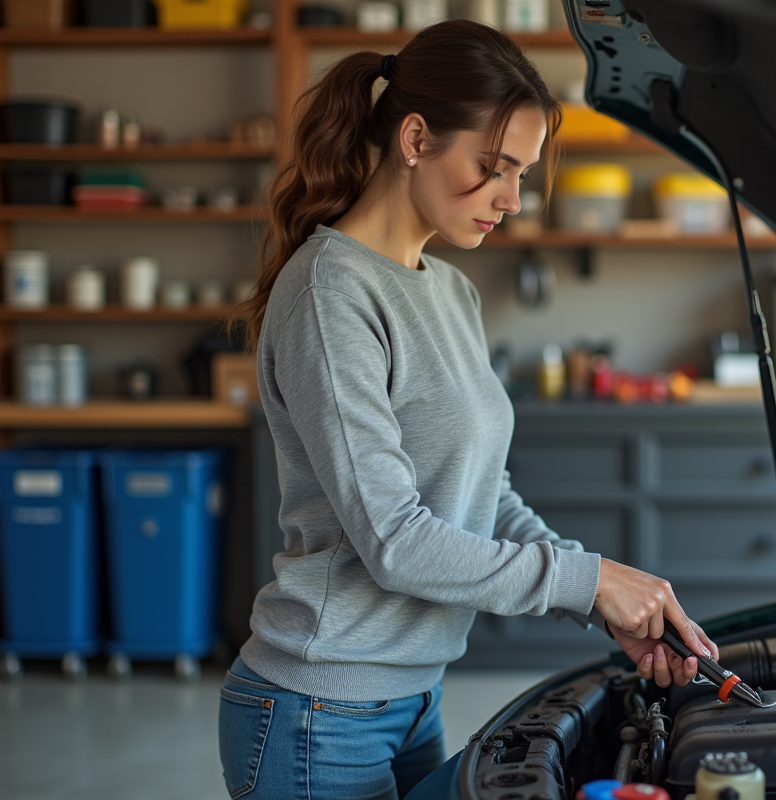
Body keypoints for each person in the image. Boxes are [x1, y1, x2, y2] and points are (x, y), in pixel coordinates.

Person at [219, 19, 718, 800]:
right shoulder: (330, 295)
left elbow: (487, 497)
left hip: (414, 697)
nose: (512, 200)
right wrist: (588, 581)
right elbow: (396, 541)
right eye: (493, 168)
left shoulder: (450, 291)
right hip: (320, 706)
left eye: (521, 174)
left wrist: (605, 605)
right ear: (416, 138)